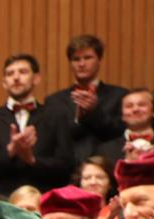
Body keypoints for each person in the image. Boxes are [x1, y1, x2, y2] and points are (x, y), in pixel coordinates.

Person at [0, 53, 74, 196]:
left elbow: (67, 165)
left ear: (36, 78)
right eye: (10, 74)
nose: (16, 77)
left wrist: (32, 160)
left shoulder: (56, 116)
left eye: (23, 72)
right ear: (4, 82)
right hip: (2, 198)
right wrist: (10, 151)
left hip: (45, 197)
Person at [43, 35, 127, 163]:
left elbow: (120, 134)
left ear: (99, 60)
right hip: (68, 169)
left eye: (88, 58)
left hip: (106, 166)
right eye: (76, 59)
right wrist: (77, 119)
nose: (82, 64)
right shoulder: (54, 101)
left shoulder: (119, 95)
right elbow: (53, 140)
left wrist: (94, 112)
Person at [94, 89, 154, 167]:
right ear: (122, 115)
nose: (135, 109)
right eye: (129, 106)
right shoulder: (105, 150)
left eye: (141, 104)